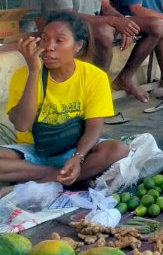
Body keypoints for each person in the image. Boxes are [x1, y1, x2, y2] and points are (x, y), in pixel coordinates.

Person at [1, 12, 129, 184]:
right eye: (45, 39)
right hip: (33, 152)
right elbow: (22, 125)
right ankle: (58, 176)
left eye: (59, 40)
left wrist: (78, 157)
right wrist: (33, 72)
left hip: (74, 150)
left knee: (117, 149)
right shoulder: (23, 75)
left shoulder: (94, 77)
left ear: (77, 46)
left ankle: (44, 178)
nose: (49, 47)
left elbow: (94, 128)